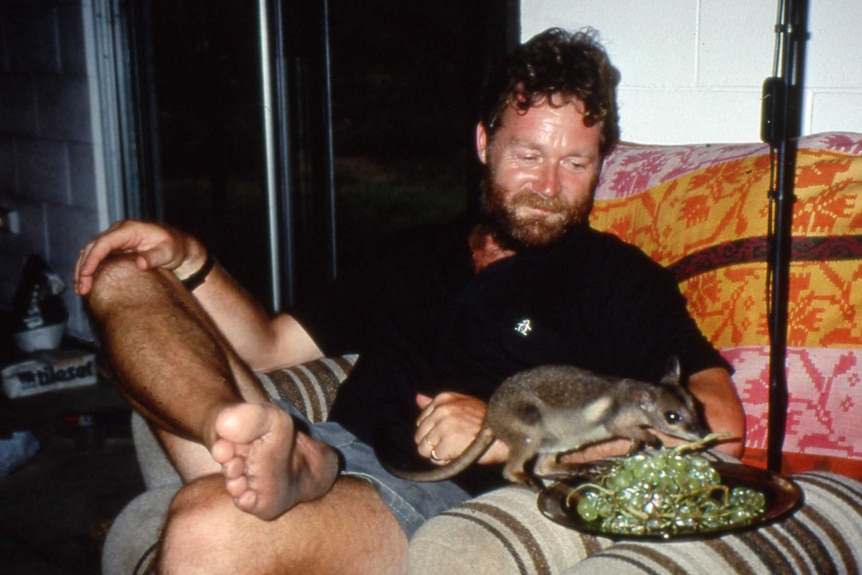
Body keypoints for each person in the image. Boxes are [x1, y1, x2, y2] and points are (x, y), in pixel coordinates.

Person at [75, 28, 745, 574]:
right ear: (484, 143)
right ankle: (260, 441)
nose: (547, 184)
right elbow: (267, 346)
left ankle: (295, 464)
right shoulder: (414, 249)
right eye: (527, 154)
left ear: (603, 162)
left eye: (576, 163)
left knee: (206, 525)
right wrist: (190, 259)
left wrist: (500, 431)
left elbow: (723, 426)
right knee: (121, 277)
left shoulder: (617, 278)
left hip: (422, 488)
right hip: (317, 437)